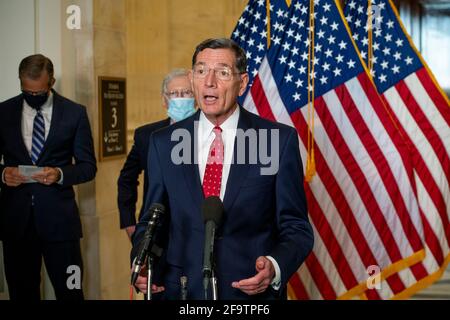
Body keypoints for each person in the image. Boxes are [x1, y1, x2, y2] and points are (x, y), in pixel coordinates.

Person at [131, 38, 313, 300]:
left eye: (223, 72)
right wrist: (140, 259)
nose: (210, 82)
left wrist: (274, 266)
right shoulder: (163, 142)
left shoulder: (277, 141)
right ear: (193, 78)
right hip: (182, 291)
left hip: (249, 294)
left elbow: (296, 227)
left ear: (243, 82)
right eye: (201, 71)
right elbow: (151, 219)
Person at [0, 54, 97, 300]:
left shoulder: (75, 113)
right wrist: (3, 174)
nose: (33, 98)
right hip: (16, 224)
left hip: (60, 225)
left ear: (51, 82)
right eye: (26, 92)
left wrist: (60, 174)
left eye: (39, 92)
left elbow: (88, 167)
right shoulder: (3, 112)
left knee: (71, 292)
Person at [117, 69, 195, 240]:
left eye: (187, 92)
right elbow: (126, 179)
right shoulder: (146, 135)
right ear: (164, 100)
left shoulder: (211, 132)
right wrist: (129, 223)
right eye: (174, 93)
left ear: (196, 98)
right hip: (156, 230)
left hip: (196, 230)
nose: (181, 97)